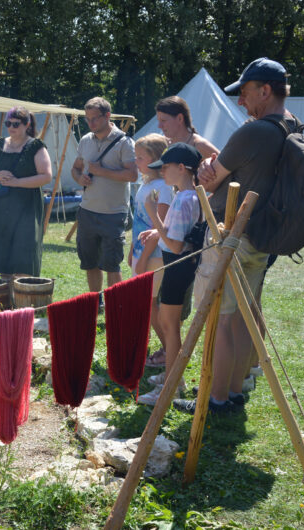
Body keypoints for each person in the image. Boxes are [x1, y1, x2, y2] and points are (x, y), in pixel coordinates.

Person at [174, 57, 298, 415]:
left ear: (265, 90)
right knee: (243, 316)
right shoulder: (290, 125)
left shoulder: (253, 132)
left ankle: (215, 398)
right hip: (263, 237)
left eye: (245, 93)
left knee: (221, 319)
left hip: (231, 235)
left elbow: (210, 180)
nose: (240, 101)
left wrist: (206, 169)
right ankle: (232, 389)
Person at [135, 143, 202, 405]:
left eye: (165, 167)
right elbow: (177, 234)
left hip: (177, 265)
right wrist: (158, 231)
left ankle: (173, 385)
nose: (161, 172)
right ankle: (174, 377)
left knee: (170, 327)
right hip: (177, 264)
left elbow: (175, 245)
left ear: (182, 168)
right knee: (167, 323)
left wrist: (153, 214)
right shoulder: (187, 195)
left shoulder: (185, 199)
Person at [0, 106, 52, 278]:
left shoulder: (36, 146)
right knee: (3, 257)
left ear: (27, 124)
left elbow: (46, 176)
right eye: (8, 123)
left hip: (26, 208)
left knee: (23, 255)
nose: (11, 127)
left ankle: (22, 292)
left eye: (16, 124)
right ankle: (7, 292)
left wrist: (17, 182)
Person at [71, 97, 137, 292]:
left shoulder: (125, 142)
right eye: (87, 119)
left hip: (114, 213)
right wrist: (79, 179)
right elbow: (75, 168)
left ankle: (115, 305)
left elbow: (132, 175)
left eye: (95, 118)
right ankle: (95, 301)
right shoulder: (85, 140)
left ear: (107, 116)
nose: (90, 123)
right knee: (89, 263)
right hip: (87, 211)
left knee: (111, 265)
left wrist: (101, 171)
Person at [130, 134, 174, 368]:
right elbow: (138, 221)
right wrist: (133, 251)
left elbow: (159, 228)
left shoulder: (163, 188)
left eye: (140, 157)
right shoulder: (146, 184)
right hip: (141, 253)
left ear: (156, 159)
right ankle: (141, 346)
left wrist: (144, 258)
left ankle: (169, 350)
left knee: (150, 302)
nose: (135, 161)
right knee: (143, 302)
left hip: (154, 256)